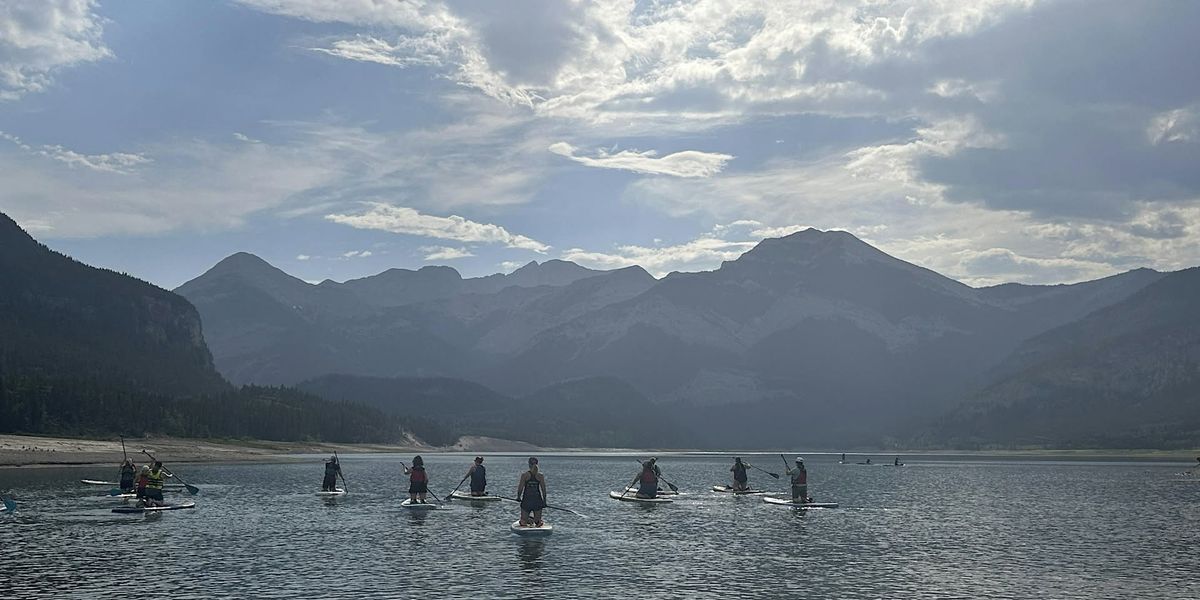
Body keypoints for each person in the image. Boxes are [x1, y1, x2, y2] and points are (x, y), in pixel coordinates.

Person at [517, 457, 547, 527]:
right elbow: (544, 490)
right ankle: (536, 521)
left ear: (529, 464)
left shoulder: (524, 475)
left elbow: (520, 488)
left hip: (527, 500)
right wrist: (544, 502)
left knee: (523, 521)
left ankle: (528, 520)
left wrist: (518, 497)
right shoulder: (540, 476)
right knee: (538, 521)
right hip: (537, 501)